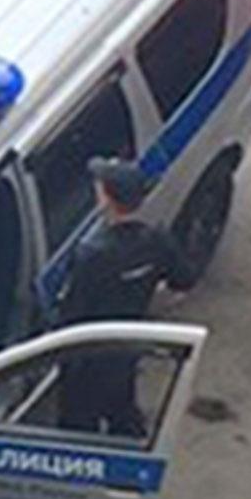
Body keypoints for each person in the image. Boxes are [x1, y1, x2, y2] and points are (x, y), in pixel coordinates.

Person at [54, 157, 187, 436]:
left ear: (107, 198)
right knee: (122, 409)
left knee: (76, 428)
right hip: (127, 346)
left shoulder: (93, 255)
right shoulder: (158, 240)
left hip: (87, 358)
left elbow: (71, 315)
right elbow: (183, 281)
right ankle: (133, 464)